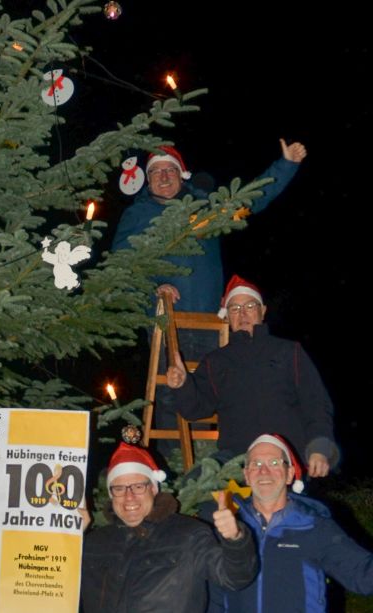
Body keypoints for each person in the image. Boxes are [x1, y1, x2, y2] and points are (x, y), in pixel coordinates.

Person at [166, 275, 338, 477]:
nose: (242, 314)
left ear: (262, 311)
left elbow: (316, 403)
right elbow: (194, 410)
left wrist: (319, 447)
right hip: (237, 462)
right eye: (235, 309)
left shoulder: (289, 351)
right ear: (227, 316)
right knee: (197, 483)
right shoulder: (215, 361)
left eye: (249, 306)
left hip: (286, 458)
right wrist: (182, 385)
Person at [112, 140, 307, 313]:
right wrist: (154, 291)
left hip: (209, 318)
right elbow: (122, 266)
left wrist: (286, 165)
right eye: (156, 171)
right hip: (164, 318)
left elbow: (248, 201)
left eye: (170, 170)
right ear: (148, 179)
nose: (164, 177)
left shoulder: (204, 209)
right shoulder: (137, 215)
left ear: (181, 176)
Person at [80, 443, 258, 612]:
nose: (129, 496)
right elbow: (61, 590)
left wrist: (235, 539)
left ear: (154, 489)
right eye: (119, 489)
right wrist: (72, 538)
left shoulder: (189, 534)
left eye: (138, 486)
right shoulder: (95, 543)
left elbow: (236, 577)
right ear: (111, 495)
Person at [215, 434, 373, 611]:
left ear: (289, 474)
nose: (264, 471)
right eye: (256, 464)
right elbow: (212, 593)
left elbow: (364, 575)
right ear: (246, 475)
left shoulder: (314, 527)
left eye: (274, 463)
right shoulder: (228, 526)